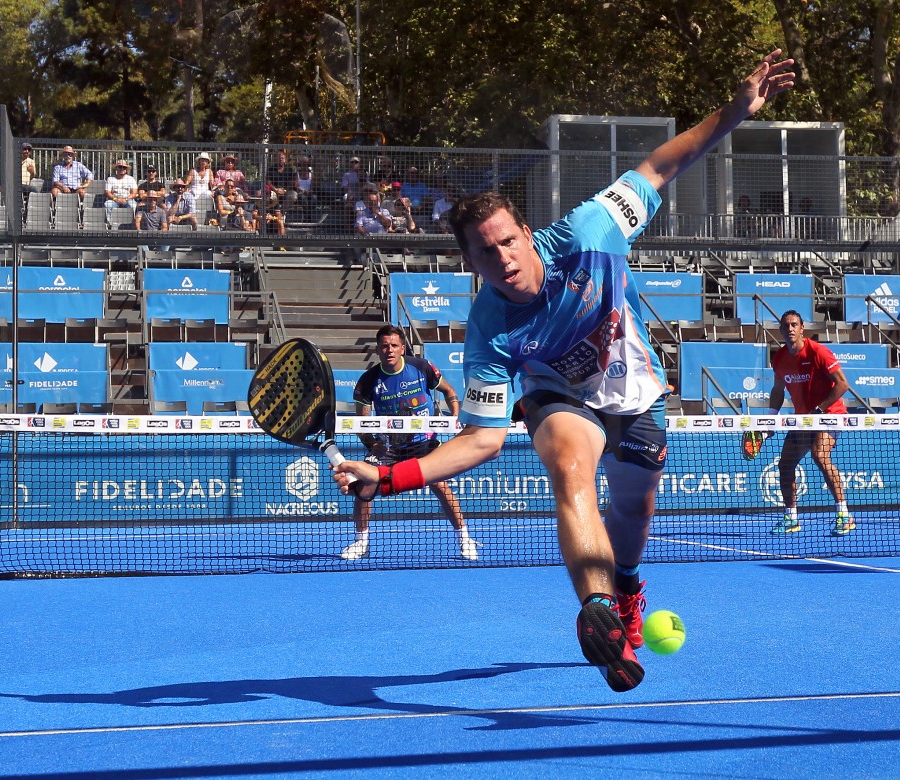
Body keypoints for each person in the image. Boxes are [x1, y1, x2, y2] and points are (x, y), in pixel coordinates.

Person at [332, 50, 797, 693]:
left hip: (637, 392)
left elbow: (664, 165)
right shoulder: (490, 329)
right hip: (561, 397)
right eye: (485, 253)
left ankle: (625, 591)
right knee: (571, 469)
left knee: (635, 511)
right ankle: (596, 608)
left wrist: (736, 112)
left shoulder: (592, 227)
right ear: (471, 264)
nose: (502, 259)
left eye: (507, 241)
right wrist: (386, 479)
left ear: (526, 232)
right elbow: (482, 438)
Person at [341, 325, 477, 562]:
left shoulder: (421, 368)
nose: (389, 350)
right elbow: (361, 423)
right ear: (378, 349)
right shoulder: (368, 381)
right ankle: (361, 542)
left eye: (394, 345)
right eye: (384, 346)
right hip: (389, 447)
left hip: (423, 443)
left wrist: (455, 419)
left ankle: (464, 538)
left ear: (402, 348)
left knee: (441, 486)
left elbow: (449, 391)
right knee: (364, 487)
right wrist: (373, 445)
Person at [766, 309, 855, 537]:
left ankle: (844, 514)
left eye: (794, 324)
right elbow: (777, 390)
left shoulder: (818, 352)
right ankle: (791, 518)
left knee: (819, 455)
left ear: (802, 328)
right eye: (786, 325)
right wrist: (770, 419)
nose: (790, 329)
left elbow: (843, 384)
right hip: (803, 418)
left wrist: (819, 410)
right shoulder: (779, 358)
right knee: (785, 465)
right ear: (780, 330)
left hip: (830, 414)